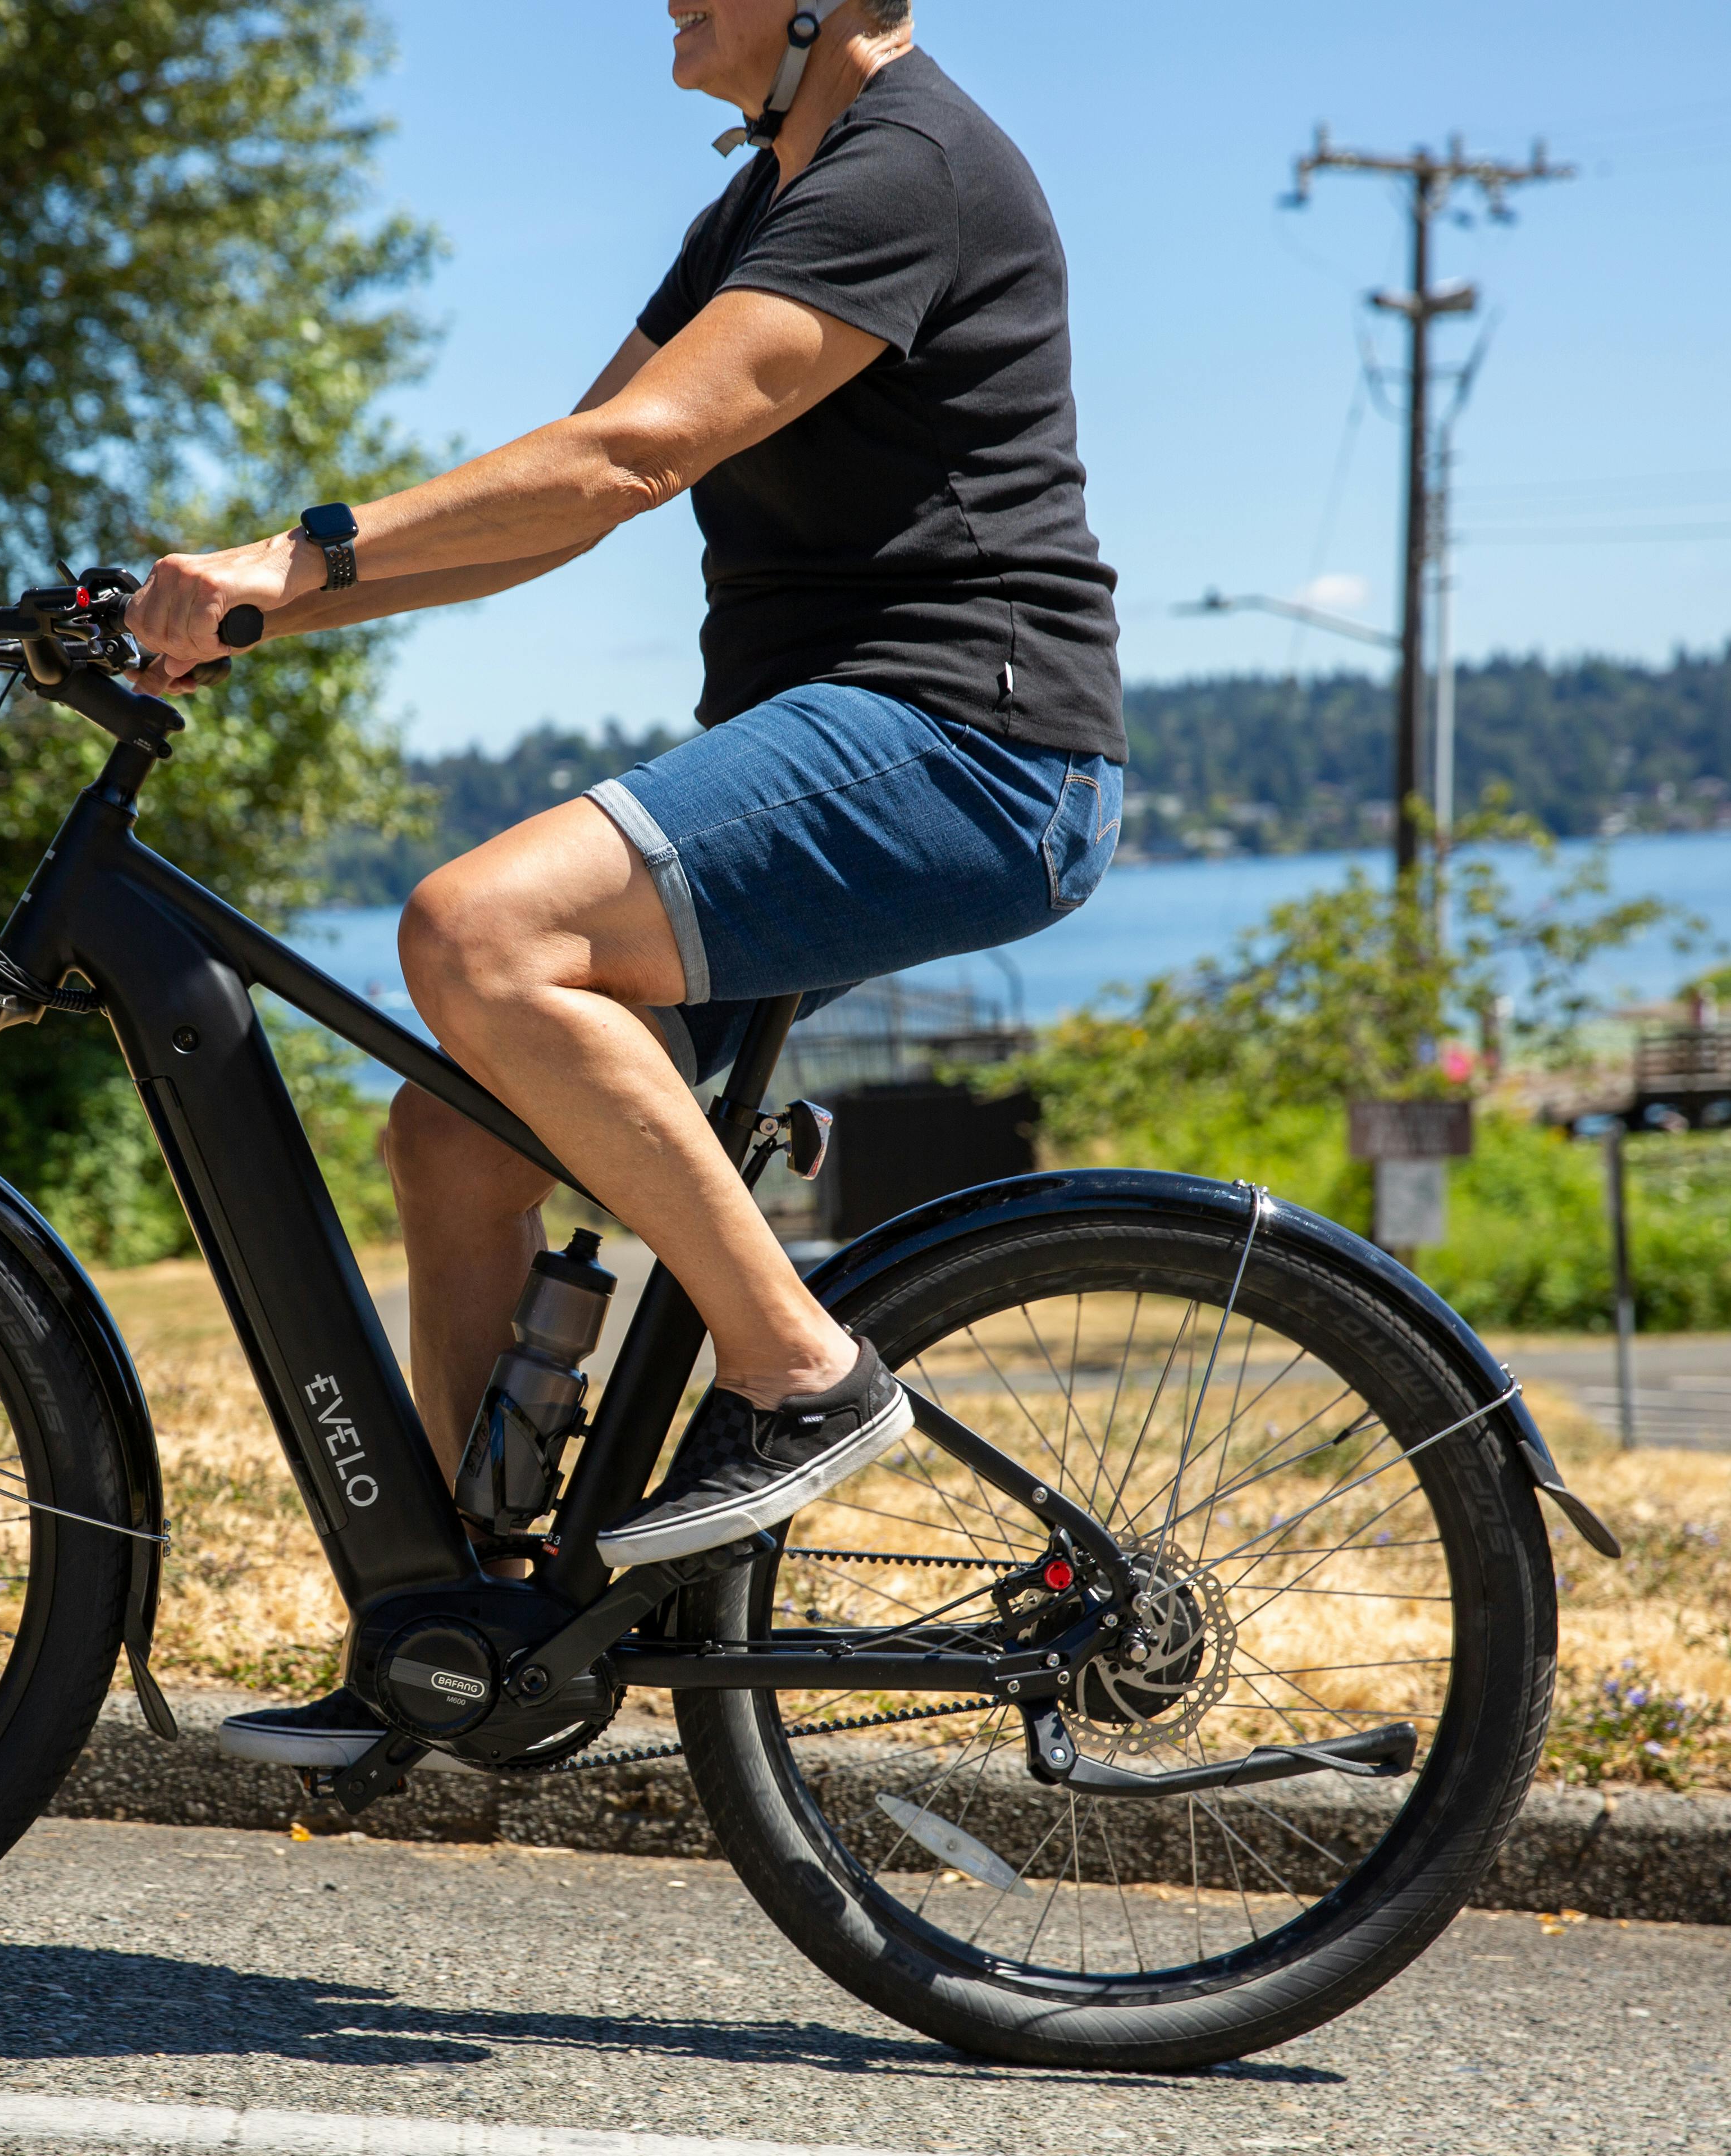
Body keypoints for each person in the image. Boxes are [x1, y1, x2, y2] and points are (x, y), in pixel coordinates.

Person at [127, 0, 1123, 1767]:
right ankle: (447, 1621)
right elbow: (564, 501)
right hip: (858, 731)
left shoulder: (910, 172)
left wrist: (284, 558)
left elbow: (634, 453)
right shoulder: (765, 202)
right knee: (454, 1127)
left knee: (475, 929)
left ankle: (803, 1375)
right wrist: (257, 610)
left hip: (976, 741)